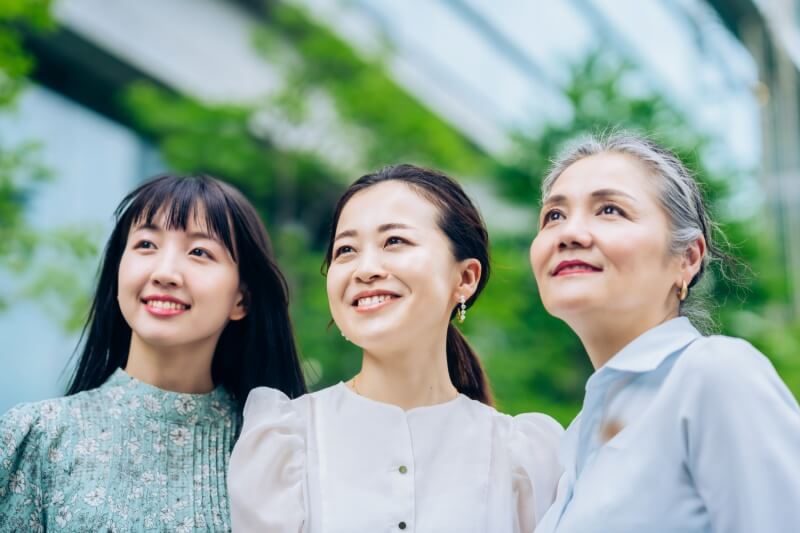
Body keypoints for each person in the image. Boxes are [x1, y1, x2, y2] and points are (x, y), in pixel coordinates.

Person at [229, 164, 563, 532]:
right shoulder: (284, 440)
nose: (365, 269)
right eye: (346, 250)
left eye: (394, 241)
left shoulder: (524, 457)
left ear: (465, 278)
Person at [0, 173, 306, 531]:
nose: (165, 272)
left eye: (199, 252)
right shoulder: (37, 435)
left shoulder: (277, 449)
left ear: (242, 298)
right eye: (146, 245)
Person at [529, 133, 800, 532]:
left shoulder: (713, 374)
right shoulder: (576, 439)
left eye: (609, 210)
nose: (570, 233)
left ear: (687, 258)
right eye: (554, 215)